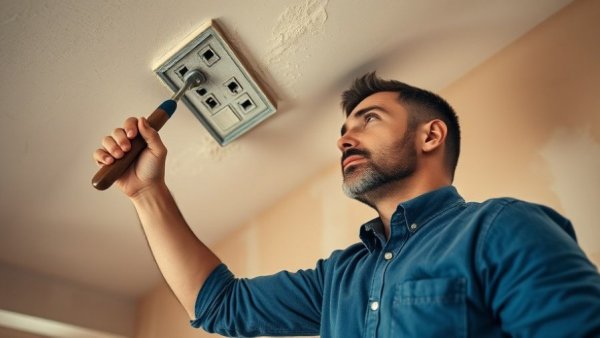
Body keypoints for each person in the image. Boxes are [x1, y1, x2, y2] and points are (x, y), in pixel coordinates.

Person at [94, 72, 600, 337]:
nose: (344, 141)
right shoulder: (340, 279)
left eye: (368, 120)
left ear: (431, 135)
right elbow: (222, 306)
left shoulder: (502, 227)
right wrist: (147, 192)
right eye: (342, 131)